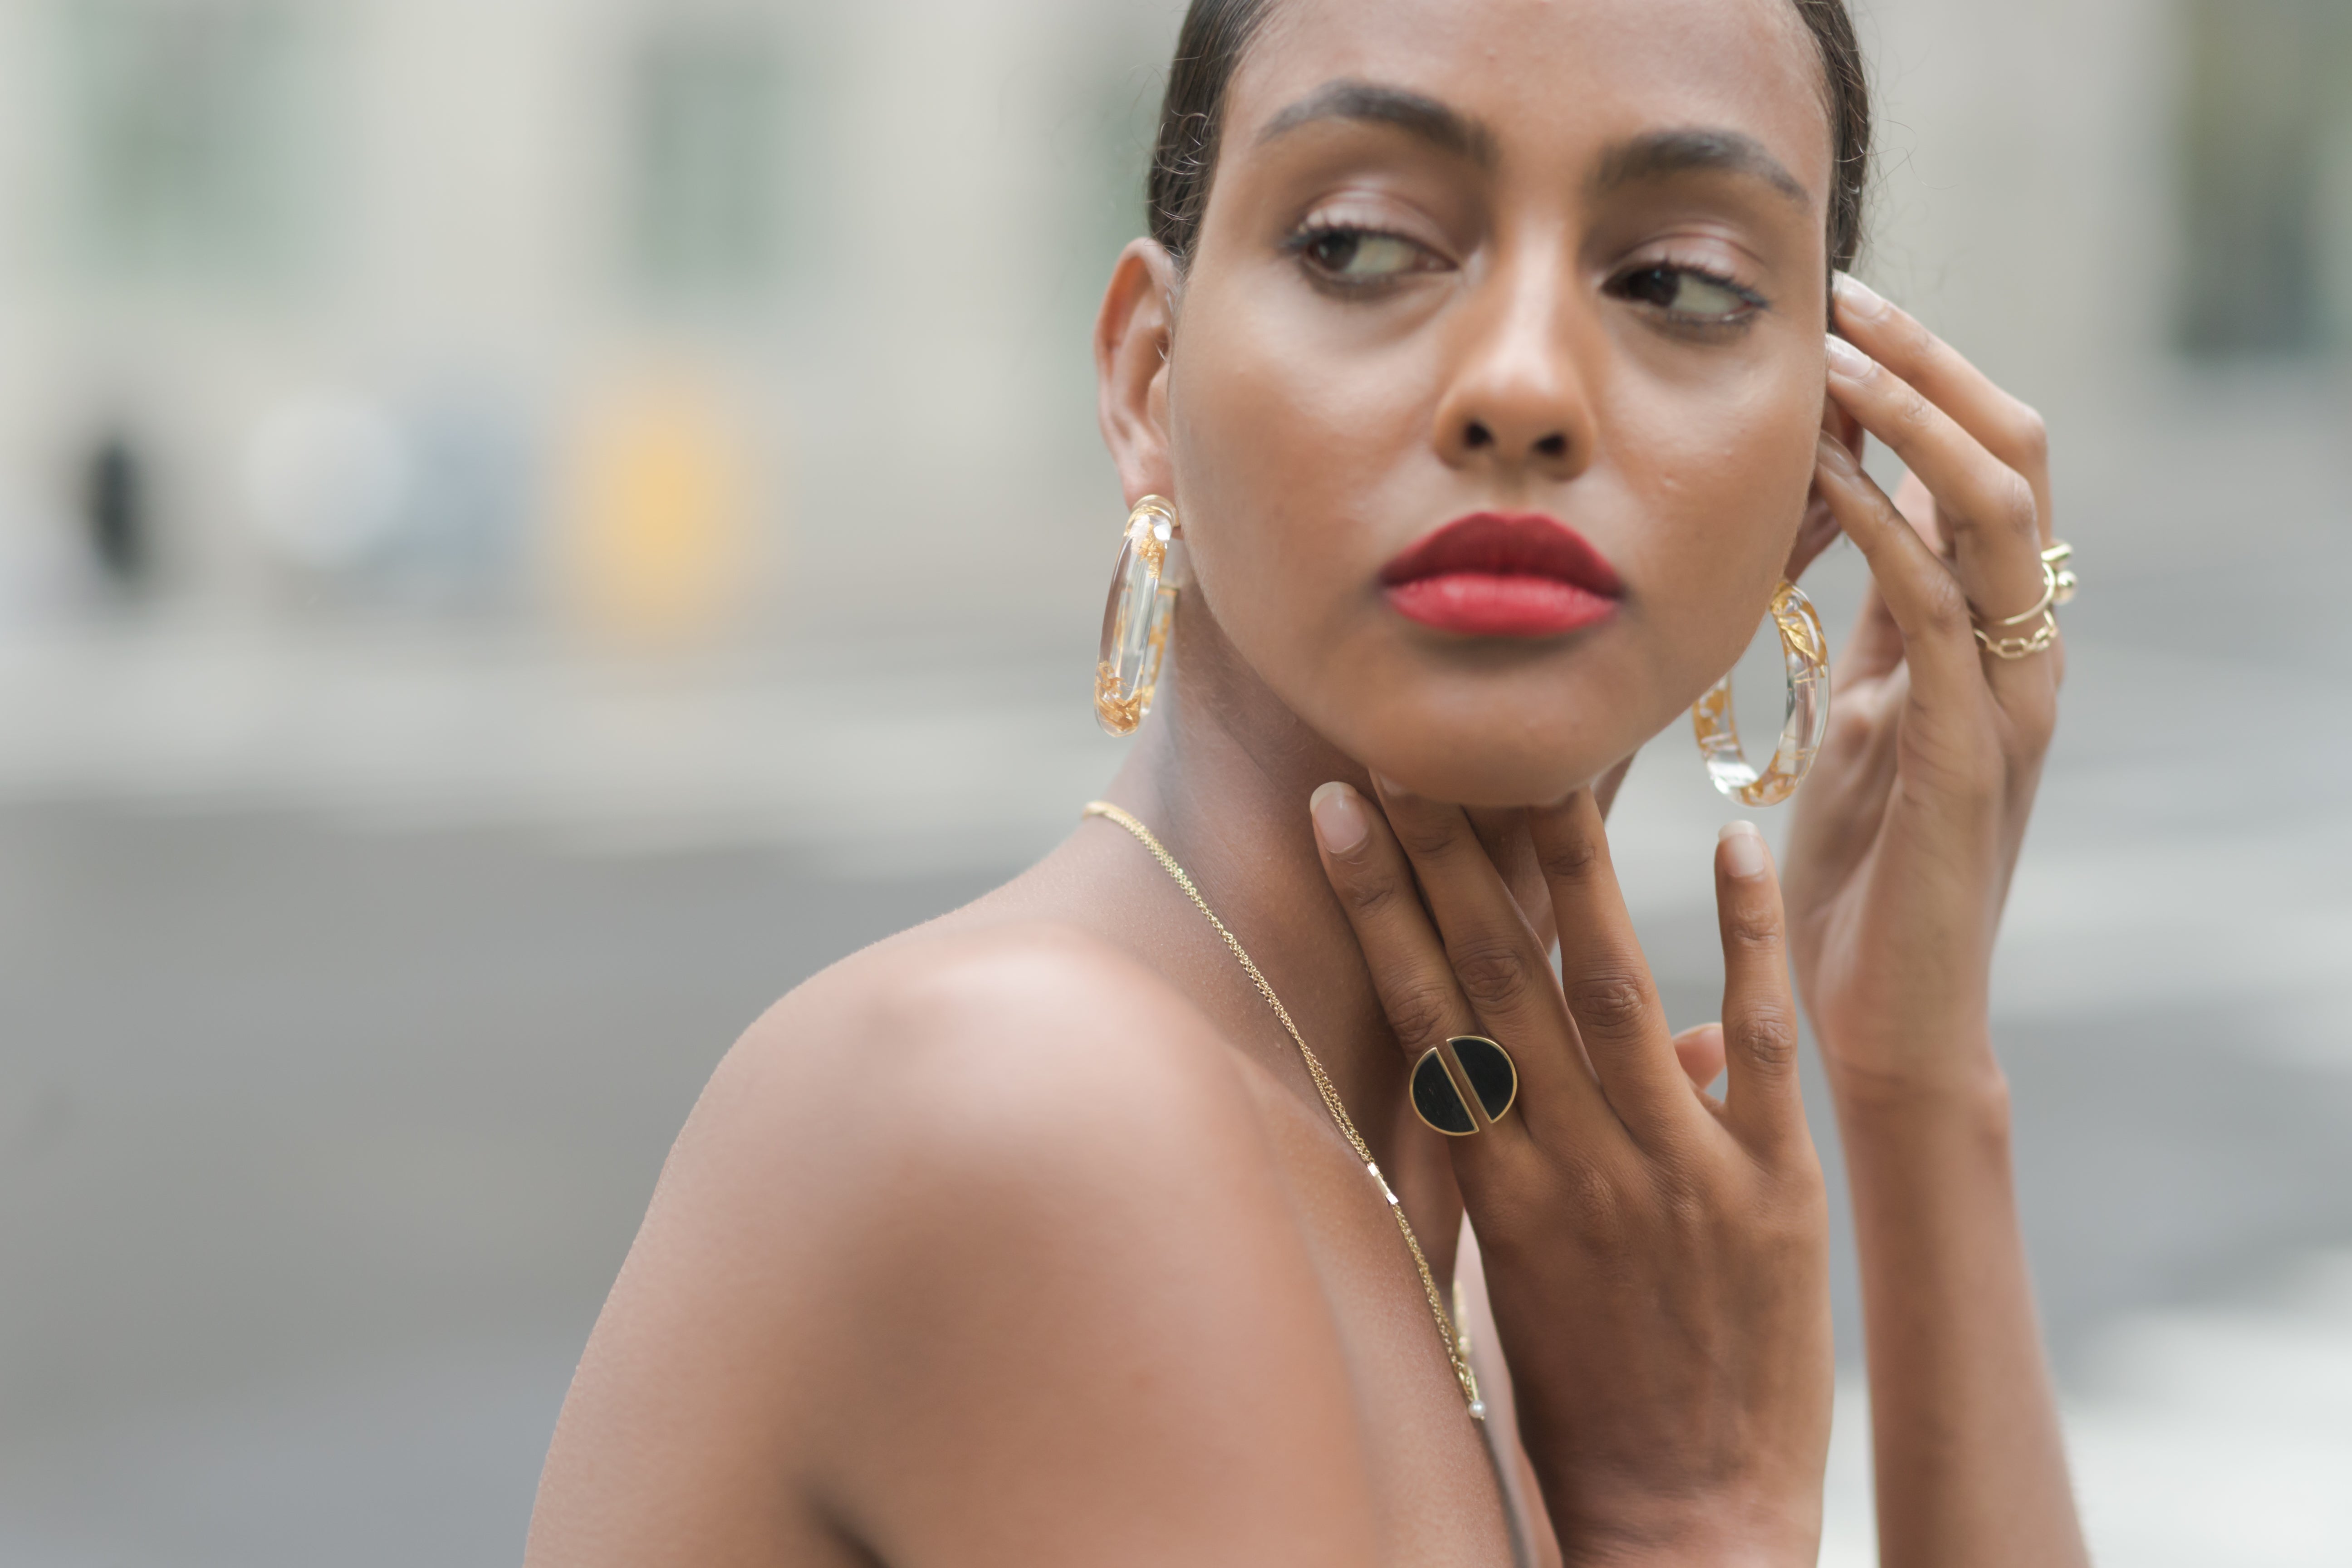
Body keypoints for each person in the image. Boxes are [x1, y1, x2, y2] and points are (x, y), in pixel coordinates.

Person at [528, 0, 2090, 1562]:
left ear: (1822, 487)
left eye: (1677, 282)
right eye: (1362, 246)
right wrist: (1702, 1521)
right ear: (1148, 380)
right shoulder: (1036, 1104)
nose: (1526, 387)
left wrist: (1917, 1079)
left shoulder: (1519, 1251)